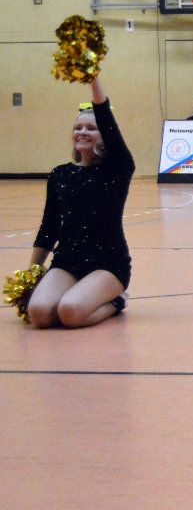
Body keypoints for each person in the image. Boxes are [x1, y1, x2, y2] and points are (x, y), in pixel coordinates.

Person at [26, 73, 133, 328]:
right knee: (39, 313)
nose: (82, 132)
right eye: (78, 128)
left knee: (70, 312)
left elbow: (105, 115)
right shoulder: (60, 174)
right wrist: (32, 274)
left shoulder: (117, 169)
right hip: (68, 260)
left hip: (108, 263)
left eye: (91, 128)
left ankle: (117, 300)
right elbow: (49, 227)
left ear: (105, 136)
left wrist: (92, 77)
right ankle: (78, 294)